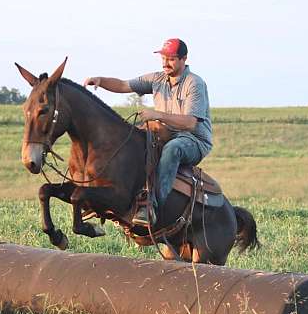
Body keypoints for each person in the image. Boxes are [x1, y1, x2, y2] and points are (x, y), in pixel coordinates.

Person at [84, 38, 212, 226]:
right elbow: (123, 85)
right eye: (163, 58)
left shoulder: (194, 84)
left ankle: (152, 206)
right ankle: (118, 196)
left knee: (172, 149)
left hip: (192, 140)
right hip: (163, 133)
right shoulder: (157, 78)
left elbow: (191, 123)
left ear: (184, 59)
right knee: (132, 140)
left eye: (171, 58)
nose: (165, 63)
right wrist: (101, 81)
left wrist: (156, 114)